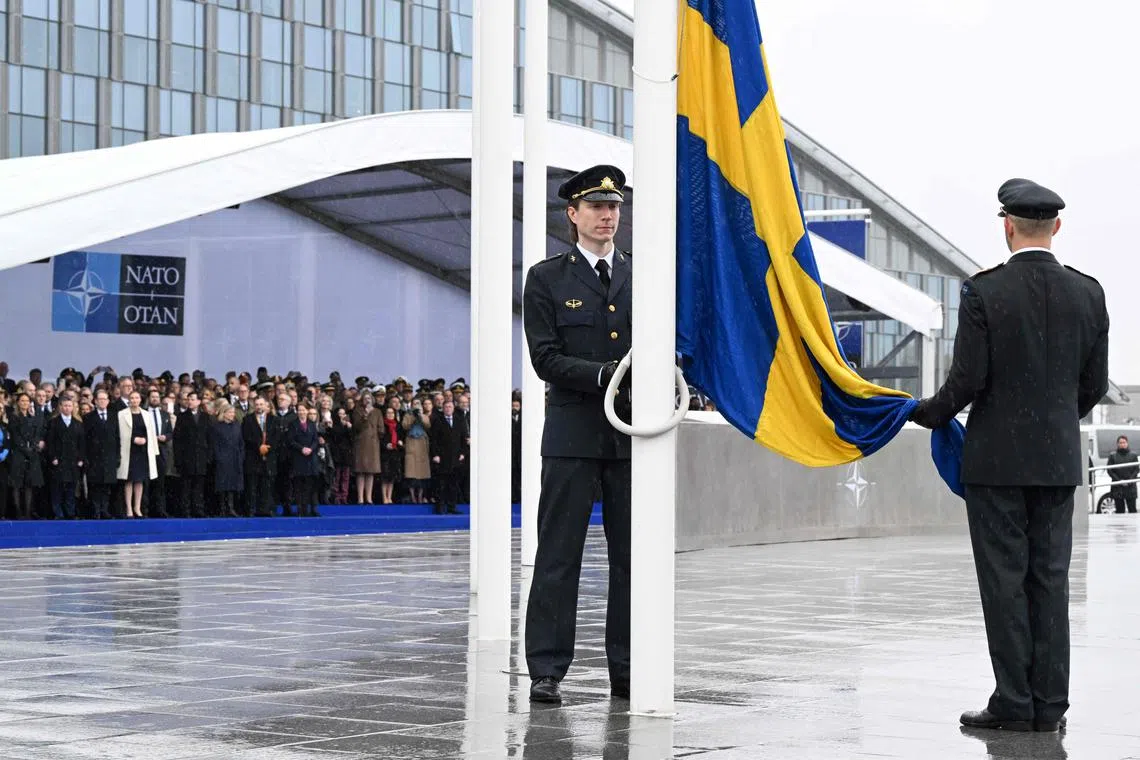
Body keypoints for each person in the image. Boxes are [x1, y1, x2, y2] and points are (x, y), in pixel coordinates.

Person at [910, 179, 1109, 733]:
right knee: (1051, 580)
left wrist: (927, 411)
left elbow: (966, 382)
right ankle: (1050, 706)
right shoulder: (1089, 294)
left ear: (1008, 226)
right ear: (1057, 228)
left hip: (995, 463)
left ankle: (1013, 703)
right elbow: (1091, 387)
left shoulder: (983, 291)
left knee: (1004, 581)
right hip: (1058, 462)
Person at [522, 164, 634, 704]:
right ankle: (546, 668)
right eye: (595, 206)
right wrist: (604, 376)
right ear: (572, 214)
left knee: (632, 558)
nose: (607, 215)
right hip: (571, 434)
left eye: (613, 206)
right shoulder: (547, 279)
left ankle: (630, 667)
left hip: (633, 437)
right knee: (558, 555)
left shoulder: (644, 275)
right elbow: (545, 358)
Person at [117, 390, 158, 518]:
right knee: (129, 480)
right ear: (129, 400)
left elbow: (151, 433)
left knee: (140, 480)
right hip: (129, 451)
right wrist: (133, 439)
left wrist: (149, 445)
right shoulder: (122, 414)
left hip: (143, 451)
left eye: (137, 398)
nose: (134, 400)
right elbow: (120, 433)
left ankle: (137, 507)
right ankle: (129, 508)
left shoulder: (146, 414)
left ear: (140, 400)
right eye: (132, 398)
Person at [46, 397, 85, 520]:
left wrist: (81, 459)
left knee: (71, 488)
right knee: (57, 488)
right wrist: (53, 457)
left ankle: (70, 512)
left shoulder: (78, 424)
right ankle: (58, 512)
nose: (67, 408)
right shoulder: (54, 422)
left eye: (69, 405)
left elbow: (82, 443)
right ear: (60, 407)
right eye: (65, 405)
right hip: (59, 460)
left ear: (73, 407)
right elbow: (50, 442)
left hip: (73, 461)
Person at [83, 389, 120, 520]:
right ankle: (95, 510)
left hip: (109, 458)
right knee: (95, 486)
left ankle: (104, 509)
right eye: (100, 399)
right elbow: (85, 440)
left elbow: (117, 438)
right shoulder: (88, 417)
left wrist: (117, 457)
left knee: (106, 486)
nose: (102, 401)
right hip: (94, 458)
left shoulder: (114, 416)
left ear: (108, 401)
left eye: (105, 399)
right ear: (95, 401)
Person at [8, 392, 45, 519]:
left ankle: (28, 512)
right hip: (19, 454)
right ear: (18, 402)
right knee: (17, 485)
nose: (25, 403)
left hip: (32, 455)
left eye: (27, 401)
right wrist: (25, 449)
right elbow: (16, 436)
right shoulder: (13, 417)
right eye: (22, 401)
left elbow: (36, 433)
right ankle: (18, 512)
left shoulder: (32, 416)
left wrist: (33, 446)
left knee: (29, 485)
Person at [174, 391, 211, 518]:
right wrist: (178, 460)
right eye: (188, 399)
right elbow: (177, 440)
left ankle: (198, 509)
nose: (190, 401)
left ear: (199, 402)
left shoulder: (205, 417)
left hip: (201, 457)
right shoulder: (182, 417)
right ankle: (186, 510)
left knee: (199, 486)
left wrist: (209, 456)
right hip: (187, 457)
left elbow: (209, 438)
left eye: (193, 399)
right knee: (186, 486)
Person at [429, 400, 467, 515]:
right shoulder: (437, 420)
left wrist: (463, 453)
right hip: (442, 458)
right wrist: (435, 454)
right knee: (441, 484)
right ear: (443, 408)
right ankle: (440, 507)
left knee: (453, 484)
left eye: (450, 407)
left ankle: (452, 507)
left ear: (453, 408)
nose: (448, 409)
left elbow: (463, 438)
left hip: (455, 458)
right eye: (446, 407)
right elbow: (433, 440)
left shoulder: (459, 420)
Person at [241, 397, 276, 517]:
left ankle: (265, 509)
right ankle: (250, 510)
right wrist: (258, 447)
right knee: (252, 485)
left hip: (269, 457)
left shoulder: (273, 420)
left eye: (261, 404)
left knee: (266, 485)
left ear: (266, 405)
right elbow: (246, 436)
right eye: (257, 404)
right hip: (253, 457)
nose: (259, 406)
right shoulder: (247, 419)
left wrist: (267, 447)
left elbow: (277, 437)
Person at [210, 403, 244, 518]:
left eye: (233, 412)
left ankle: (231, 507)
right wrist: (218, 457)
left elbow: (241, 442)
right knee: (222, 485)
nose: (232, 414)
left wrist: (240, 455)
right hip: (222, 460)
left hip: (234, 459)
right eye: (230, 412)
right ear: (224, 413)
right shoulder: (216, 426)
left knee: (232, 486)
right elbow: (214, 444)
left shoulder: (237, 425)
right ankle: (222, 508)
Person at [289, 403, 322, 517]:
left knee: (309, 486)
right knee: (298, 486)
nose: (302, 412)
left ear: (307, 412)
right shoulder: (293, 424)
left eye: (303, 410)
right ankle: (300, 508)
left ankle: (308, 508)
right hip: (298, 458)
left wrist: (311, 449)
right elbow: (291, 441)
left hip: (310, 458)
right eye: (299, 410)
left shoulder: (312, 424)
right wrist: (301, 448)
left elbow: (315, 440)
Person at [145, 389, 173, 518]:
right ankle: (144, 509)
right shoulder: (143, 413)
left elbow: (170, 432)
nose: (155, 399)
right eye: (153, 397)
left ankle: (160, 509)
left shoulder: (165, 414)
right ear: (148, 399)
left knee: (160, 482)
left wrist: (165, 437)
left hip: (161, 450)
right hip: (146, 450)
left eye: (157, 397)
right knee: (146, 481)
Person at [351, 392, 382, 505]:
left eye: (369, 398)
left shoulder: (378, 412)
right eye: (365, 398)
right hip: (361, 444)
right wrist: (365, 415)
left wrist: (377, 435)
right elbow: (357, 427)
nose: (367, 400)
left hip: (373, 444)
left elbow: (381, 429)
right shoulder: (357, 411)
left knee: (370, 471)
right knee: (360, 471)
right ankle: (360, 498)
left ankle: (369, 498)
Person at [401, 398, 433, 505]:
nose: (416, 405)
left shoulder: (424, 415)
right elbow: (405, 426)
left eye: (418, 404)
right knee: (411, 473)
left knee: (422, 474)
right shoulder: (407, 415)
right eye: (414, 404)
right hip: (411, 444)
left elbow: (428, 426)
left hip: (422, 445)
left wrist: (420, 415)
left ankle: (420, 496)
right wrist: (413, 416)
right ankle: (412, 496)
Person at [1106, 436, 1139, 514]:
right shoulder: (1113, 456)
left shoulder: (1133, 455)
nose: (1122, 444)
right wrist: (1119, 481)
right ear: (1117, 444)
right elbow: (1110, 470)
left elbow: (1136, 469)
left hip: (1130, 486)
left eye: (1124, 442)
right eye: (1120, 443)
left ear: (1127, 443)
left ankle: (1132, 526)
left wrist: (1129, 481)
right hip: (1117, 487)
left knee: (1132, 510)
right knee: (1119, 511)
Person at [379, 407, 404, 504]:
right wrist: (385, 445)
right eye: (388, 413)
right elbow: (380, 438)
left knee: (392, 477)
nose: (390, 414)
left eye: (392, 413)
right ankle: (384, 497)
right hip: (385, 453)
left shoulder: (397, 425)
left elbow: (401, 436)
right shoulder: (382, 425)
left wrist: (400, 442)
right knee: (385, 476)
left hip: (395, 452)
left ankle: (389, 497)